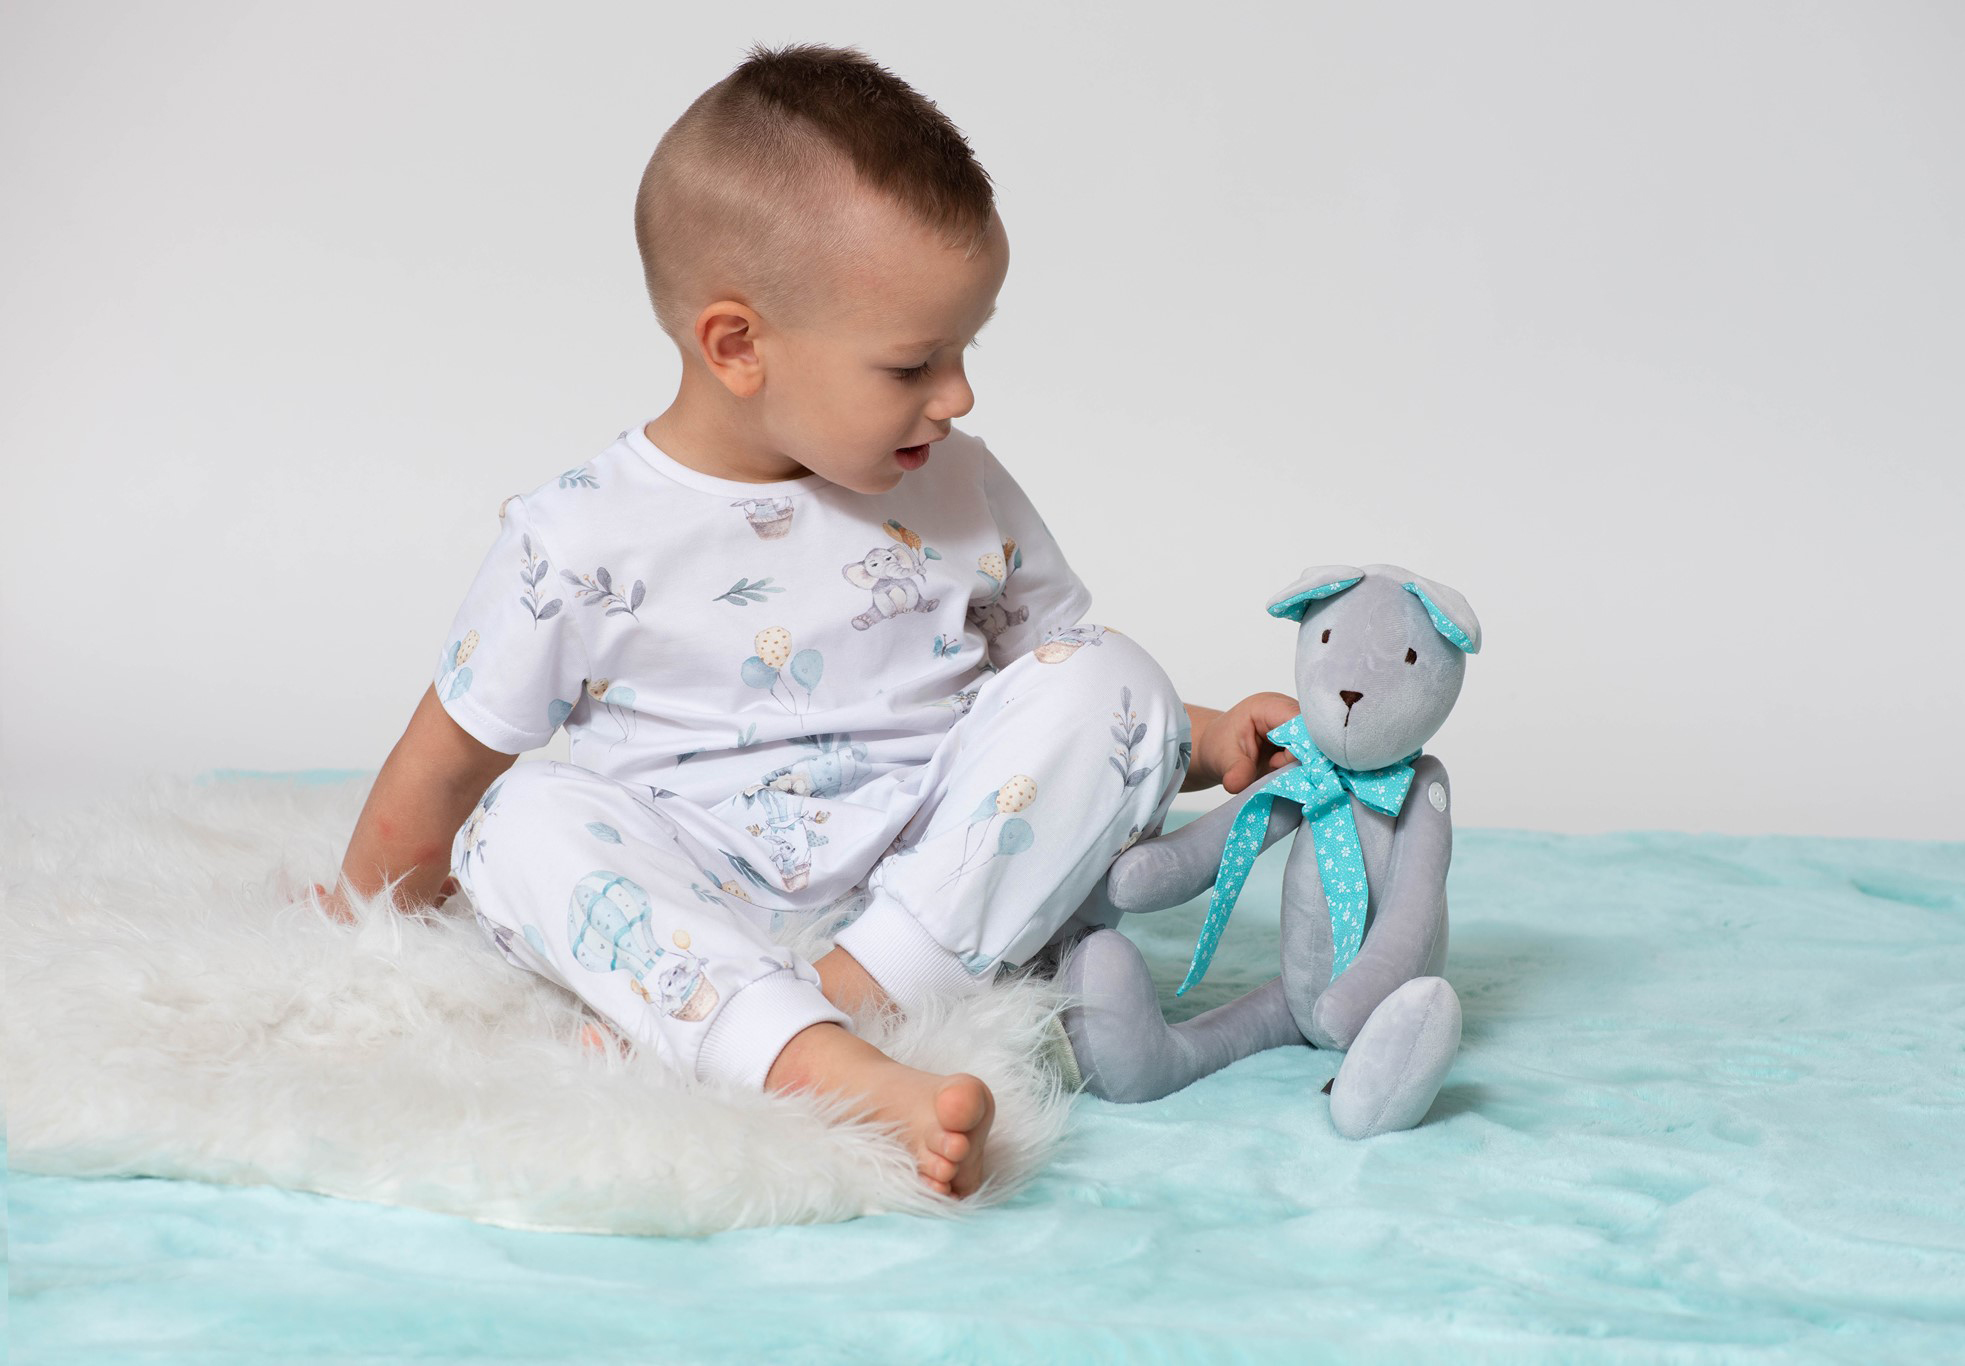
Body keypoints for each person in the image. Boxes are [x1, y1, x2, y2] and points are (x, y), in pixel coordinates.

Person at [315, 41, 1299, 1199]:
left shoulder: (958, 483)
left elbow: (1058, 691)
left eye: (964, 348)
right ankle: (799, 1048)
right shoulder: (577, 539)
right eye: (912, 364)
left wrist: (1208, 736)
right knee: (516, 823)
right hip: (694, 892)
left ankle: (838, 1003)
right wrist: (357, 921)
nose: (958, 394)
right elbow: (444, 761)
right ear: (738, 347)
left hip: (933, 884)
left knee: (1112, 668)